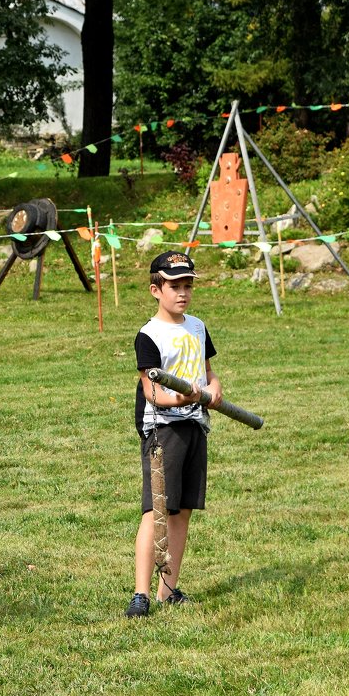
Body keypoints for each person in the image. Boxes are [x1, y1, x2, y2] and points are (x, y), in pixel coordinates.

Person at [126, 251, 223, 618]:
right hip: (162, 429)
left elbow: (209, 372)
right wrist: (179, 397)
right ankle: (141, 594)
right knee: (157, 510)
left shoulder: (197, 327)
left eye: (187, 285)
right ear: (156, 289)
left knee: (182, 511)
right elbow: (152, 391)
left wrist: (214, 388)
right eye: (174, 286)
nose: (182, 293)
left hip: (195, 424)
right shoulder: (149, 335)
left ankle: (168, 590)